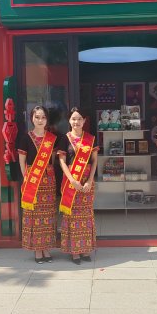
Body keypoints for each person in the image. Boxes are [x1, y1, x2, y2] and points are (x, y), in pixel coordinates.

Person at [57, 107, 98, 265]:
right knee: (72, 217)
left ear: (84, 121)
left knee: (86, 216)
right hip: (71, 183)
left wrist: (90, 181)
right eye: (74, 119)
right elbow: (62, 161)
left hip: (87, 183)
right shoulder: (64, 139)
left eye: (80, 119)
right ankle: (74, 251)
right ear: (69, 120)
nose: (77, 122)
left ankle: (86, 249)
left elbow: (94, 161)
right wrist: (72, 181)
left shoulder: (90, 139)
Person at [18, 106, 58, 264]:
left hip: (48, 181)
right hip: (33, 180)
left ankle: (46, 248)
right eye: (37, 117)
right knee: (35, 216)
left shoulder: (52, 138)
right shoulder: (25, 138)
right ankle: (37, 250)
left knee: (48, 215)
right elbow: (22, 161)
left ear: (47, 119)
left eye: (43, 117)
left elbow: (52, 160)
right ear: (32, 119)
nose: (40, 120)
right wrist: (26, 178)